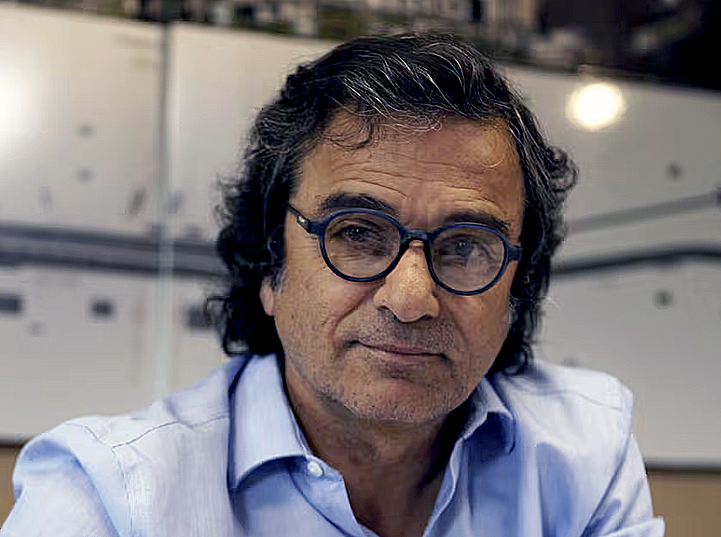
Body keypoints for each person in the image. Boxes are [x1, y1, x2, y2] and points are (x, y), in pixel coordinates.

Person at [1, 34, 664, 537]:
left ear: (517, 287)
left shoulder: (584, 454)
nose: (411, 298)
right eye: (358, 233)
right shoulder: (110, 498)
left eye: (465, 246)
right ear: (270, 265)